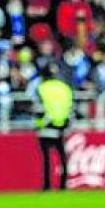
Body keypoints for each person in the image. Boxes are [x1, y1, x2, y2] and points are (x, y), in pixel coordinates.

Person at [30, 58, 73, 191]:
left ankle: (47, 185)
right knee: (62, 157)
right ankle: (63, 184)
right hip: (61, 126)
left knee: (47, 158)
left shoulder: (42, 88)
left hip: (45, 127)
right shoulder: (64, 88)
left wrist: (38, 124)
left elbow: (38, 108)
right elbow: (70, 107)